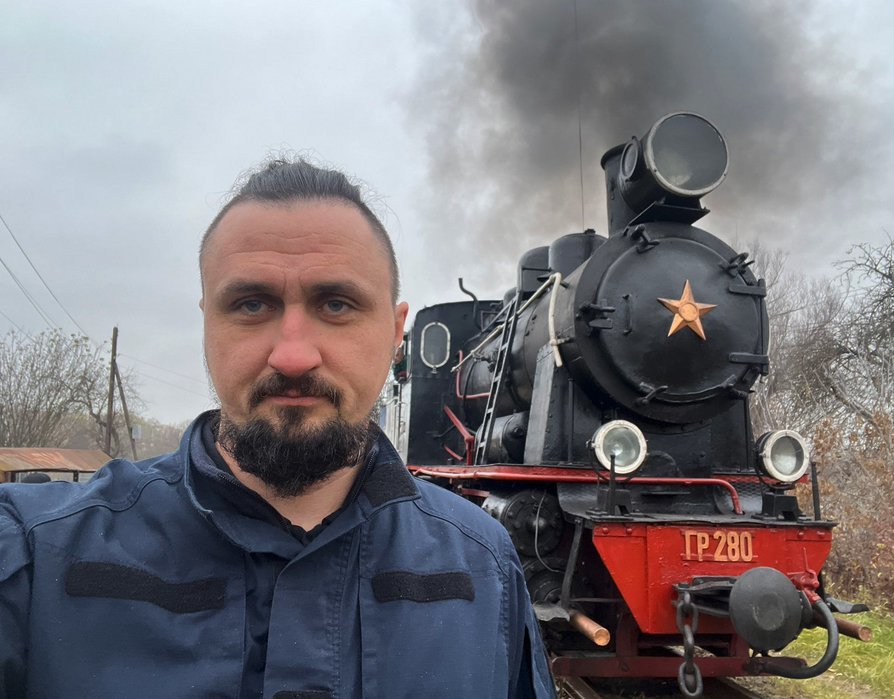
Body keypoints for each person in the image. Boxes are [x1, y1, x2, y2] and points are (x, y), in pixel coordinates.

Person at [0, 158, 556, 699]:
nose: (292, 356)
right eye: (250, 304)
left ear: (394, 331)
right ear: (206, 323)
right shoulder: (29, 555)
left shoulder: (485, 562)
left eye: (336, 304)